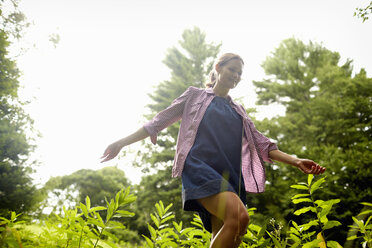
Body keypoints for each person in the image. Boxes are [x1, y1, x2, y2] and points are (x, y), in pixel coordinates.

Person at [101, 53, 326, 248]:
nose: (236, 76)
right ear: (218, 68)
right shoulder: (194, 96)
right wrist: (121, 143)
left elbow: (262, 143)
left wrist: (296, 161)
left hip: (231, 176)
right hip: (200, 168)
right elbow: (158, 122)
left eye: (239, 73)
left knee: (233, 235)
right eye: (232, 70)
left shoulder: (238, 111)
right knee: (239, 219)